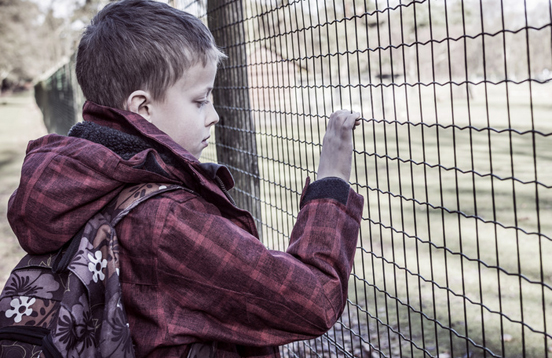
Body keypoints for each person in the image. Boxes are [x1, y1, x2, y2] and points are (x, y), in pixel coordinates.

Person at [7, 0, 364, 357]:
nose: (215, 116)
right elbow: (313, 301)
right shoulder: (168, 220)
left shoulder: (85, 178)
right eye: (200, 100)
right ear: (143, 108)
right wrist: (331, 183)